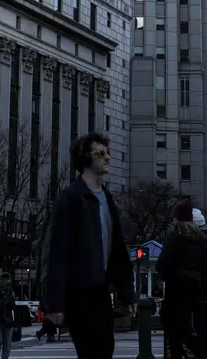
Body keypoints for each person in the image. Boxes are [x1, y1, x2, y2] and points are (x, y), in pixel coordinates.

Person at [42, 131, 135, 359]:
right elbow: (57, 252)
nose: (107, 158)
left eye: (108, 152)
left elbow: (118, 250)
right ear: (85, 158)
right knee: (91, 352)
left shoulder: (107, 198)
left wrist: (126, 293)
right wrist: (54, 303)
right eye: (100, 153)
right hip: (79, 294)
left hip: (102, 293)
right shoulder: (71, 198)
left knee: (105, 350)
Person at [156, 202, 207, 359]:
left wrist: (168, 277)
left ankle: (179, 353)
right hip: (195, 289)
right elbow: (206, 267)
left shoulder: (175, 237)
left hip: (177, 287)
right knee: (188, 326)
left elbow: (163, 263)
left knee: (172, 325)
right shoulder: (201, 239)